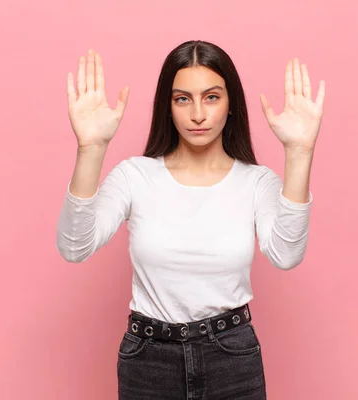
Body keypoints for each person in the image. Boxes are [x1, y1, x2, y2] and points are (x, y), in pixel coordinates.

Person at [56, 40, 325, 400]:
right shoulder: (135, 176)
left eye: (211, 97)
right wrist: (91, 149)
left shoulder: (255, 182)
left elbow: (286, 255)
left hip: (232, 358)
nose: (198, 113)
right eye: (183, 98)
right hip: (148, 360)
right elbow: (75, 246)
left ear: (231, 105)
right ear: (167, 107)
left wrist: (299, 152)